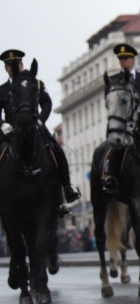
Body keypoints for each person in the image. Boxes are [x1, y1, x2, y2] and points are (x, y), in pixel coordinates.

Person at [0, 49, 80, 214]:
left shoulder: (35, 83)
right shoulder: (2, 90)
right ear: (6, 68)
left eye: (16, 64)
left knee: (56, 150)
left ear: (22, 65)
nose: (13, 67)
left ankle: (67, 189)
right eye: (9, 65)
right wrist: (2, 125)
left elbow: (47, 103)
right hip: (10, 131)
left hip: (34, 127)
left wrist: (41, 119)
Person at [102, 43, 140, 195]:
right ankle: (111, 176)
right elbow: (109, 102)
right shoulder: (113, 80)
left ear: (133, 59)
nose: (123, 62)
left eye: (126, 58)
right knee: (116, 147)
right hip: (124, 125)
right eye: (121, 59)